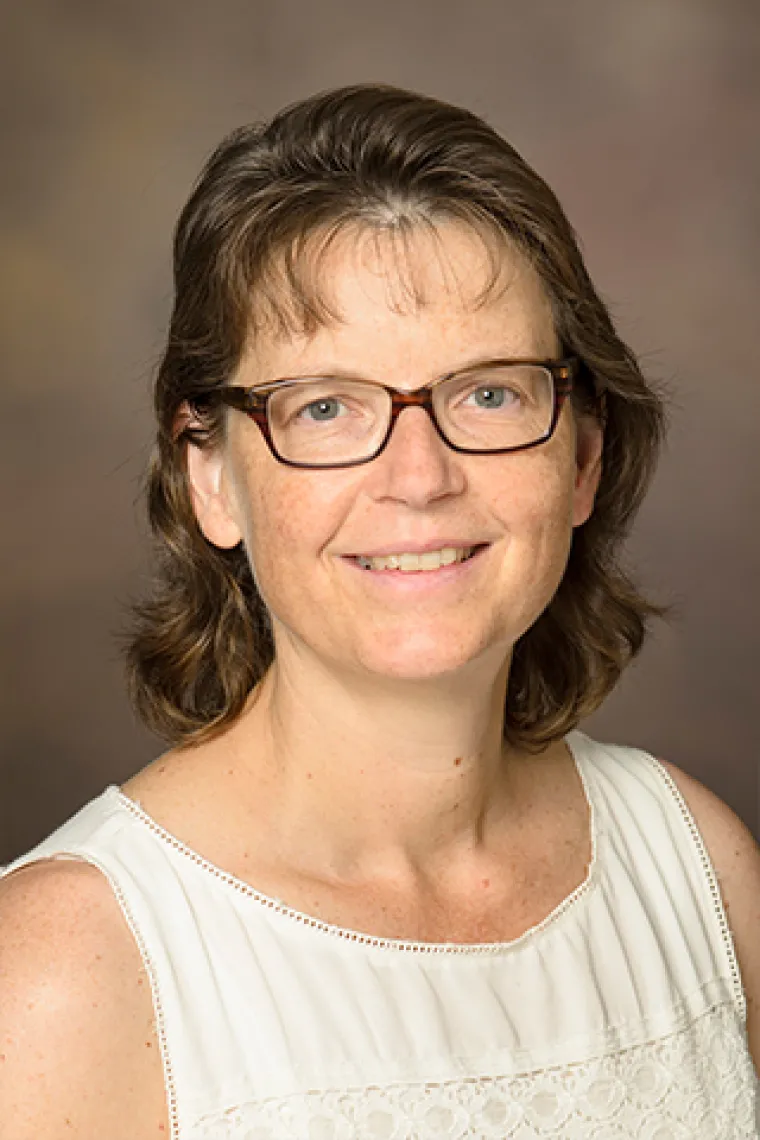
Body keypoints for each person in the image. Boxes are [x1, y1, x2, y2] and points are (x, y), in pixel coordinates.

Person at [0, 84, 757, 1139]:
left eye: (488, 393)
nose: (419, 476)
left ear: (581, 455)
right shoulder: (57, 973)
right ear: (210, 477)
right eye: (324, 406)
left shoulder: (694, 865)